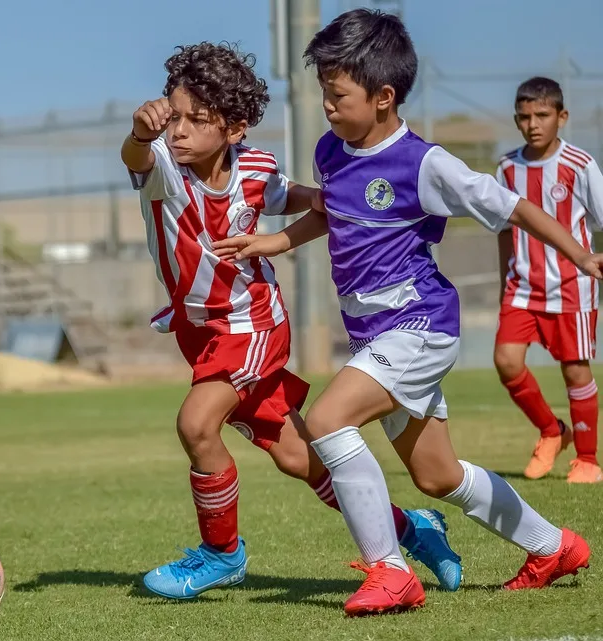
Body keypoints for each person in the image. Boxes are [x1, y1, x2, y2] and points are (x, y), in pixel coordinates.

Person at [212, 10, 594, 616]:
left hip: (418, 326)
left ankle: (391, 572)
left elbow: (515, 208)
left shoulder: (426, 164)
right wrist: (274, 242)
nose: (327, 106)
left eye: (337, 95)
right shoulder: (330, 151)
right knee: (437, 477)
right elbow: (334, 212)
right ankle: (556, 546)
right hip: (375, 335)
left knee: (329, 420)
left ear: (385, 97)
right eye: (323, 93)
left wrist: (583, 254)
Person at [120, 40, 461, 601]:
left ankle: (221, 554)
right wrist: (139, 132)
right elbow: (137, 158)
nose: (177, 131)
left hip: (250, 323)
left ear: (234, 129)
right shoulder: (161, 165)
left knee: (197, 424)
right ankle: (413, 529)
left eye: (195, 120)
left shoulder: (252, 166)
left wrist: (330, 199)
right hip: (200, 331)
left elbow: (290, 196)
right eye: (173, 116)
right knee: (299, 457)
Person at [493, 76, 603, 483]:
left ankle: (588, 460)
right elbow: (503, 227)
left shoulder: (579, 165)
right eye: (524, 117)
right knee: (506, 361)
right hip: (521, 286)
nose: (533, 124)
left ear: (562, 117)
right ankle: (552, 431)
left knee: (575, 371)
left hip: (572, 285)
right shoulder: (506, 167)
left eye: (542, 115)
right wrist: (504, 275)